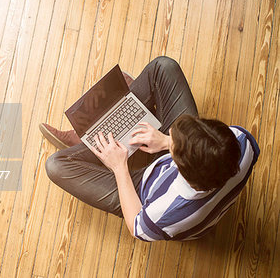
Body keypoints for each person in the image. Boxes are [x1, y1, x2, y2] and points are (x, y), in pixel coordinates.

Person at [40, 56, 260, 241]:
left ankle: (94, 136)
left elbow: (135, 226)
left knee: (56, 166)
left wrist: (119, 168)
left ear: (180, 167)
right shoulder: (240, 141)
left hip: (143, 193)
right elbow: (186, 143)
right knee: (163, 67)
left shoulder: (165, 213)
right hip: (194, 169)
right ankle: (122, 113)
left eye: (176, 144)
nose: (172, 133)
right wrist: (166, 142)